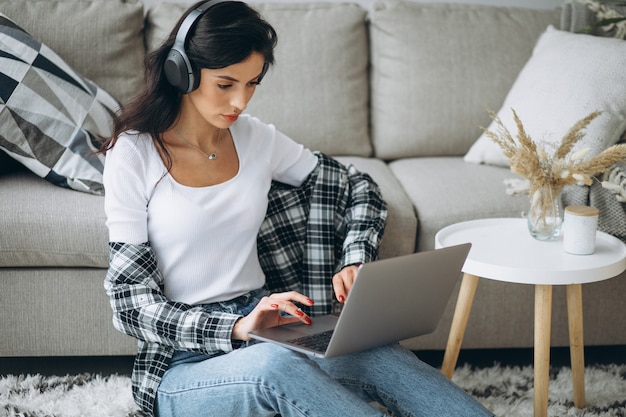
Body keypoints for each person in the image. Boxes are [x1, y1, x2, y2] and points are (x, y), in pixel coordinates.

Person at [101, 1, 495, 416]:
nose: (240, 101)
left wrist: (355, 259)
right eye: (226, 84)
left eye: (252, 83)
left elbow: (356, 186)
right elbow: (129, 304)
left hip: (270, 327)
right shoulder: (133, 153)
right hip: (181, 362)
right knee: (276, 365)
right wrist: (236, 327)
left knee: (378, 354)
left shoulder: (257, 139)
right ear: (181, 72)